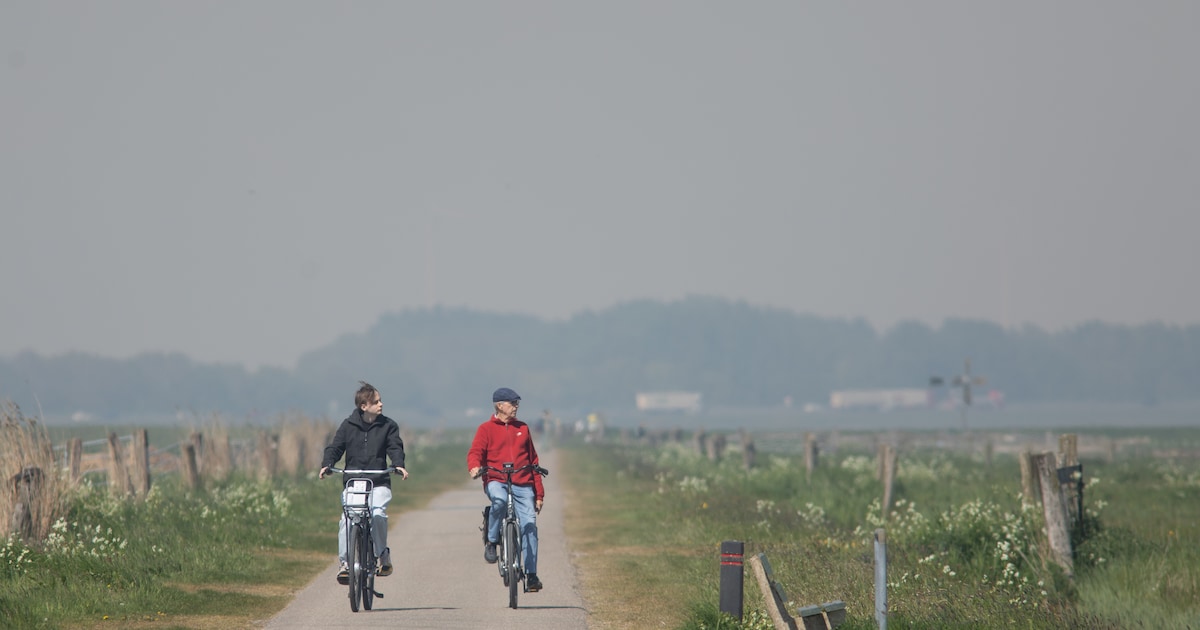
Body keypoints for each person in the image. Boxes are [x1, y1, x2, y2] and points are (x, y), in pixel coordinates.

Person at [320, 381, 409, 584]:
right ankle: (345, 564)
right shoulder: (347, 426)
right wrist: (327, 464)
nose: (381, 404)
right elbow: (335, 447)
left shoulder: (388, 426)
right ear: (363, 406)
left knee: (377, 514)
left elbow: (395, 447)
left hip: (379, 482)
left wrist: (398, 464)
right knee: (347, 520)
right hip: (354, 483)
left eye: (380, 400)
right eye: (376, 402)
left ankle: (382, 555)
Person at [467, 387, 546, 592]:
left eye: (517, 403)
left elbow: (533, 462)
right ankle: (492, 541)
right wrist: (475, 467)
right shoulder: (485, 429)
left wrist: (539, 493)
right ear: (500, 405)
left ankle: (531, 575)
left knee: (529, 524)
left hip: (523, 482)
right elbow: (475, 452)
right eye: (512, 403)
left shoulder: (523, 428)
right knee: (499, 501)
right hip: (496, 479)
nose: (516, 407)